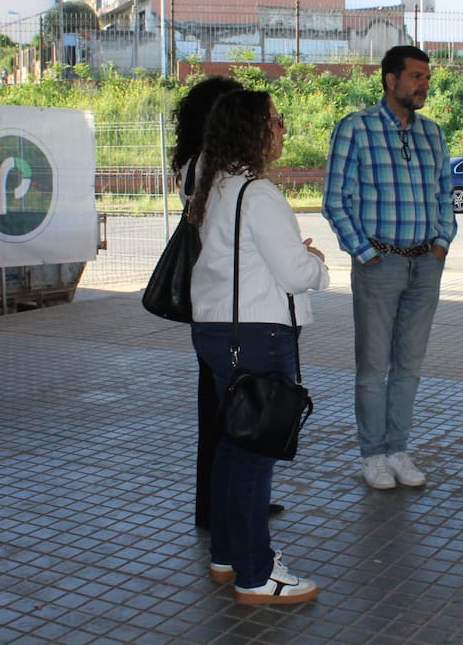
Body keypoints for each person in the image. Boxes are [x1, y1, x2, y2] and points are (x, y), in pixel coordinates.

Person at [189, 89, 329, 604]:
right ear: (254, 130)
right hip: (258, 334)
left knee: (234, 446)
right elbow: (294, 273)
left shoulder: (216, 185)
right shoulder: (259, 193)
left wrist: (294, 256)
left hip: (218, 331)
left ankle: (227, 555)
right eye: (275, 119)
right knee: (255, 456)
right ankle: (256, 573)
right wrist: (318, 265)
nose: (283, 128)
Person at [322, 45, 456, 490]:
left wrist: (441, 243)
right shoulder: (355, 128)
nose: (424, 85)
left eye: (427, 77)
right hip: (378, 264)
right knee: (373, 367)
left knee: (409, 365)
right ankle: (373, 455)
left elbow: (444, 195)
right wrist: (365, 253)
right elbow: (335, 200)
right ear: (390, 79)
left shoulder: (432, 133)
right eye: (416, 76)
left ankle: (398, 450)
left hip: (425, 265)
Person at [169, 74, 244, 531]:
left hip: (207, 298)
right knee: (222, 406)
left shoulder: (193, 161)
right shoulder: (210, 167)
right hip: (218, 297)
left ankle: (221, 501)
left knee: (217, 402)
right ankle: (219, 506)